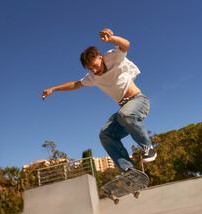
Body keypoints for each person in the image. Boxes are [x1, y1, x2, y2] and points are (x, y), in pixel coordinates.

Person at [42, 28, 156, 172]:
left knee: (125, 114)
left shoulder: (112, 57)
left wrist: (111, 39)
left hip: (139, 101)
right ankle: (129, 170)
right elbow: (75, 84)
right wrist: (53, 89)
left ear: (101, 58)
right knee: (105, 135)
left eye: (95, 66)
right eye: (90, 69)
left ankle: (148, 147)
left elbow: (125, 45)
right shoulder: (92, 77)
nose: (94, 71)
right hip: (125, 110)